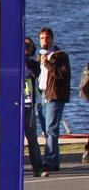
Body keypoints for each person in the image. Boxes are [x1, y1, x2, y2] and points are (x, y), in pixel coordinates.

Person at [39, 27, 71, 175]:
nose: (44, 41)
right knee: (46, 130)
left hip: (54, 96)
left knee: (52, 129)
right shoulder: (40, 56)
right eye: (42, 38)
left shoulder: (60, 56)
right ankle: (51, 159)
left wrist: (47, 64)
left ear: (52, 39)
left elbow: (62, 74)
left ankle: (50, 161)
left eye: (47, 38)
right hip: (42, 95)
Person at [26, 36, 45, 178]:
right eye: (24, 46)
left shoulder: (33, 64)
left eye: (29, 47)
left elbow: (34, 74)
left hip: (29, 106)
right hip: (14, 106)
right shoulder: (10, 63)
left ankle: (37, 168)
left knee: (32, 139)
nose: (26, 49)